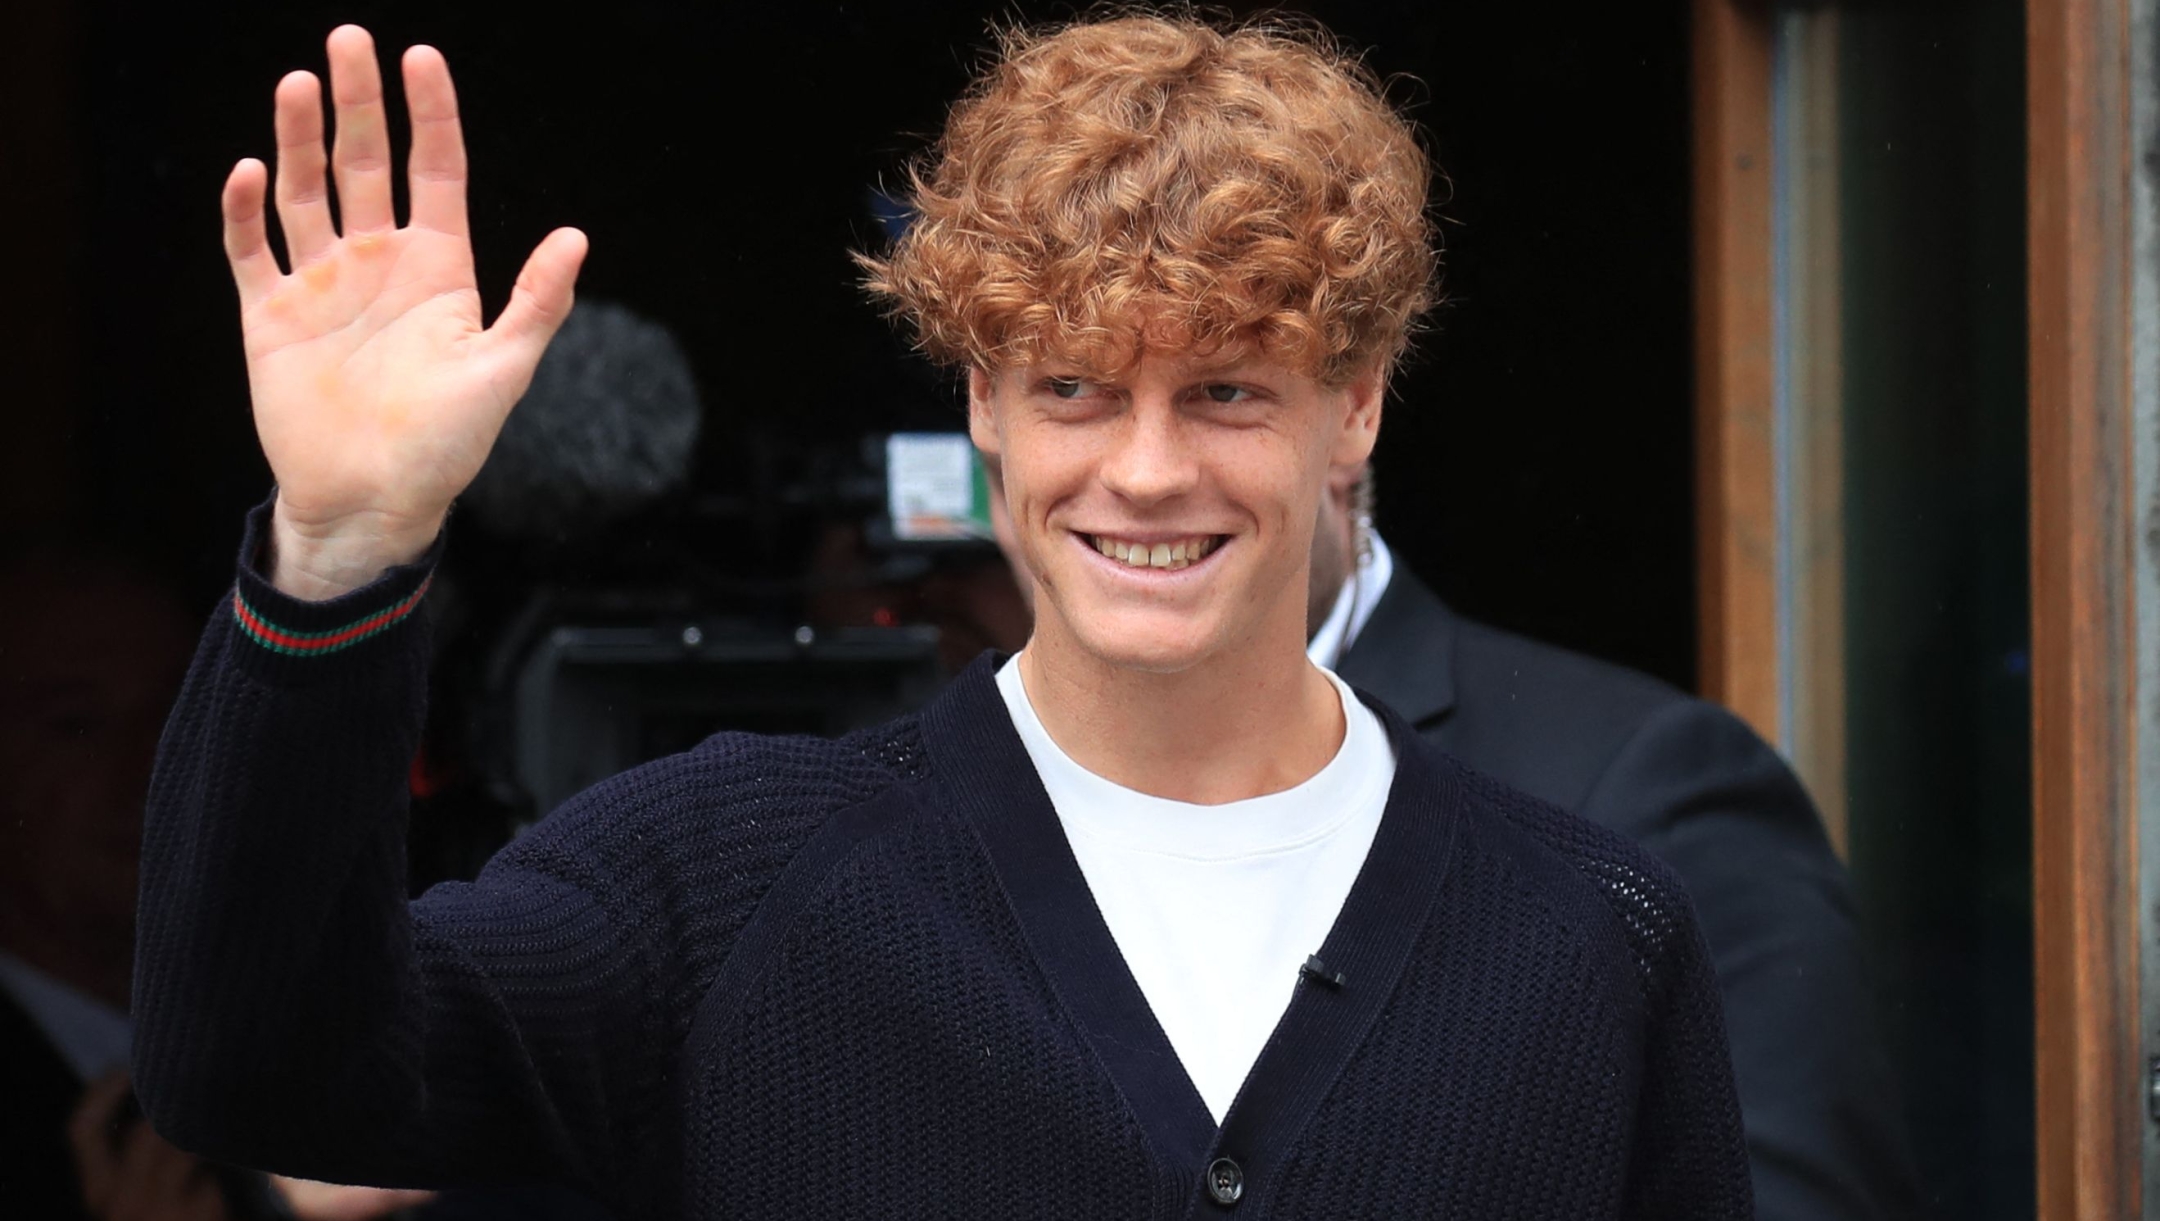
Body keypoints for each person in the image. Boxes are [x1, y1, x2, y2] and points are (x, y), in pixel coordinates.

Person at [133, 15, 1752, 1218]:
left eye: (1227, 390)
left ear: (1357, 407)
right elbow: (268, 1075)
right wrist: (342, 544)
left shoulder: (1588, 934)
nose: (1146, 469)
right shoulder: (718, 883)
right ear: (981, 400)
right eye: (1075, 386)